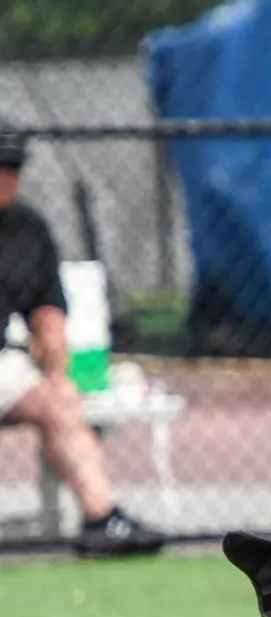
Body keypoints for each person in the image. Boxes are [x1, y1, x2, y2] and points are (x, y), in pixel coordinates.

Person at [0, 121, 165, 557]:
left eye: (13, 167)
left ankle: (101, 519)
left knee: (61, 399)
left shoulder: (27, 227)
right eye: (0, 167)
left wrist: (52, 343)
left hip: (3, 365)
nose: (7, 177)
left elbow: (47, 307)